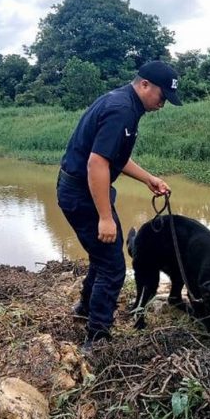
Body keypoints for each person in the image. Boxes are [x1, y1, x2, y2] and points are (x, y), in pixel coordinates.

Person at [56, 60, 182, 352]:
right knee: (112, 266)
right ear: (145, 85)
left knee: (103, 256)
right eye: (162, 97)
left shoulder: (124, 103)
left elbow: (113, 156)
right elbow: (96, 162)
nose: (163, 104)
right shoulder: (122, 110)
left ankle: (85, 307)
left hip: (81, 189)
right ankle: (96, 338)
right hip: (82, 193)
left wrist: (147, 178)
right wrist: (104, 217)